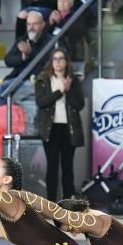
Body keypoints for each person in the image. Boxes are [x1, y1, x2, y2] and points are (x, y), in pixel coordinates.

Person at [35, 49, 85, 202]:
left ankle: (67, 201)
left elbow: (79, 104)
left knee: (68, 166)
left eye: (61, 59)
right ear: (51, 62)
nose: (58, 62)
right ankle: (51, 201)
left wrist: (69, 91)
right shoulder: (43, 79)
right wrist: (60, 91)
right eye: (55, 59)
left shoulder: (73, 81)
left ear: (66, 62)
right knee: (52, 166)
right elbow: (42, 102)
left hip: (69, 128)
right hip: (51, 129)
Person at [0, 10, 54, 107]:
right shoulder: (22, 39)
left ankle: (12, 118)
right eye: (29, 24)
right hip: (17, 79)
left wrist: (31, 53)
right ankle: (6, 119)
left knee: (15, 94)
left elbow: (49, 60)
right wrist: (23, 57)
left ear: (43, 24)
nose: (31, 28)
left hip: (36, 81)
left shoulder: (50, 41)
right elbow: (7, 60)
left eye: (35, 24)